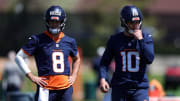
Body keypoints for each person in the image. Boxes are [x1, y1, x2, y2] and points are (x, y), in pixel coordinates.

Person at [15, 5, 81, 101]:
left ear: (62, 22)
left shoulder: (69, 41)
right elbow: (19, 57)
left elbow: (77, 59)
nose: (54, 24)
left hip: (65, 89)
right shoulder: (37, 40)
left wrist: (74, 75)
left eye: (57, 22)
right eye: (51, 21)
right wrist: (31, 76)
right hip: (45, 88)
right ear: (47, 21)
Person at [99, 5, 154, 101]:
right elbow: (104, 62)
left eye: (137, 22)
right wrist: (103, 78)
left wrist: (140, 40)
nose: (135, 25)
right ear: (124, 23)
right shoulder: (115, 40)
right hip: (120, 87)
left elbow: (149, 59)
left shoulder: (146, 38)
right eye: (132, 22)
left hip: (139, 87)